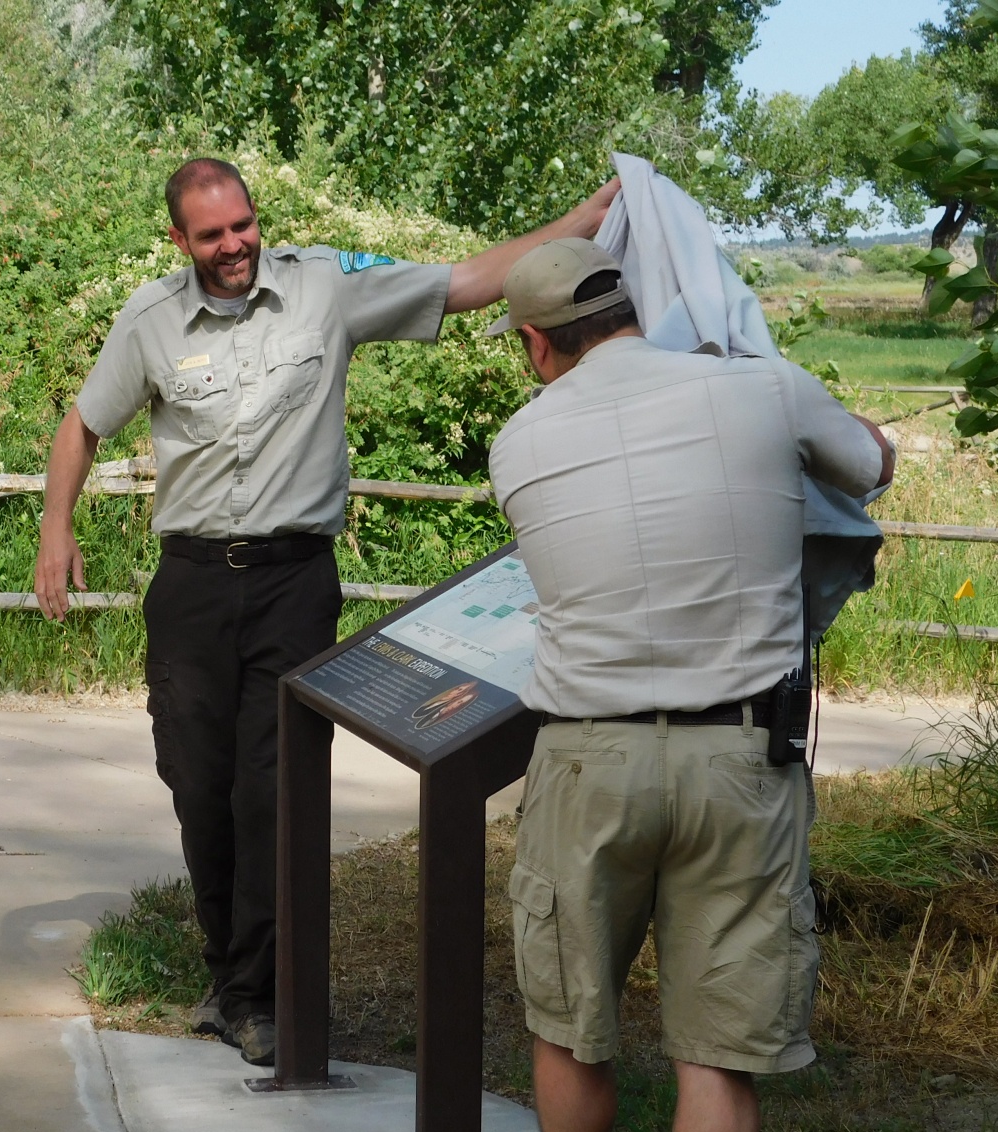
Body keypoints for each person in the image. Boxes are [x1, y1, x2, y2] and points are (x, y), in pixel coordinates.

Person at [33, 158, 620, 1067]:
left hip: (292, 581)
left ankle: (258, 995)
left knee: (271, 788)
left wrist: (576, 222)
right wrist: (54, 525)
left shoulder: (325, 290)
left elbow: (464, 283)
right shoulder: (148, 321)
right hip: (189, 584)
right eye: (212, 234)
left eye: (243, 225)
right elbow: (83, 425)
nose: (234, 246)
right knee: (199, 783)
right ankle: (229, 972)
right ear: (180, 241)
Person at [486, 238, 893, 1132]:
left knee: (570, 1031)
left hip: (586, 761)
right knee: (716, 1058)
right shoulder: (765, 386)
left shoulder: (519, 443)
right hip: (742, 755)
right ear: (632, 311)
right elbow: (869, 465)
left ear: (535, 346)